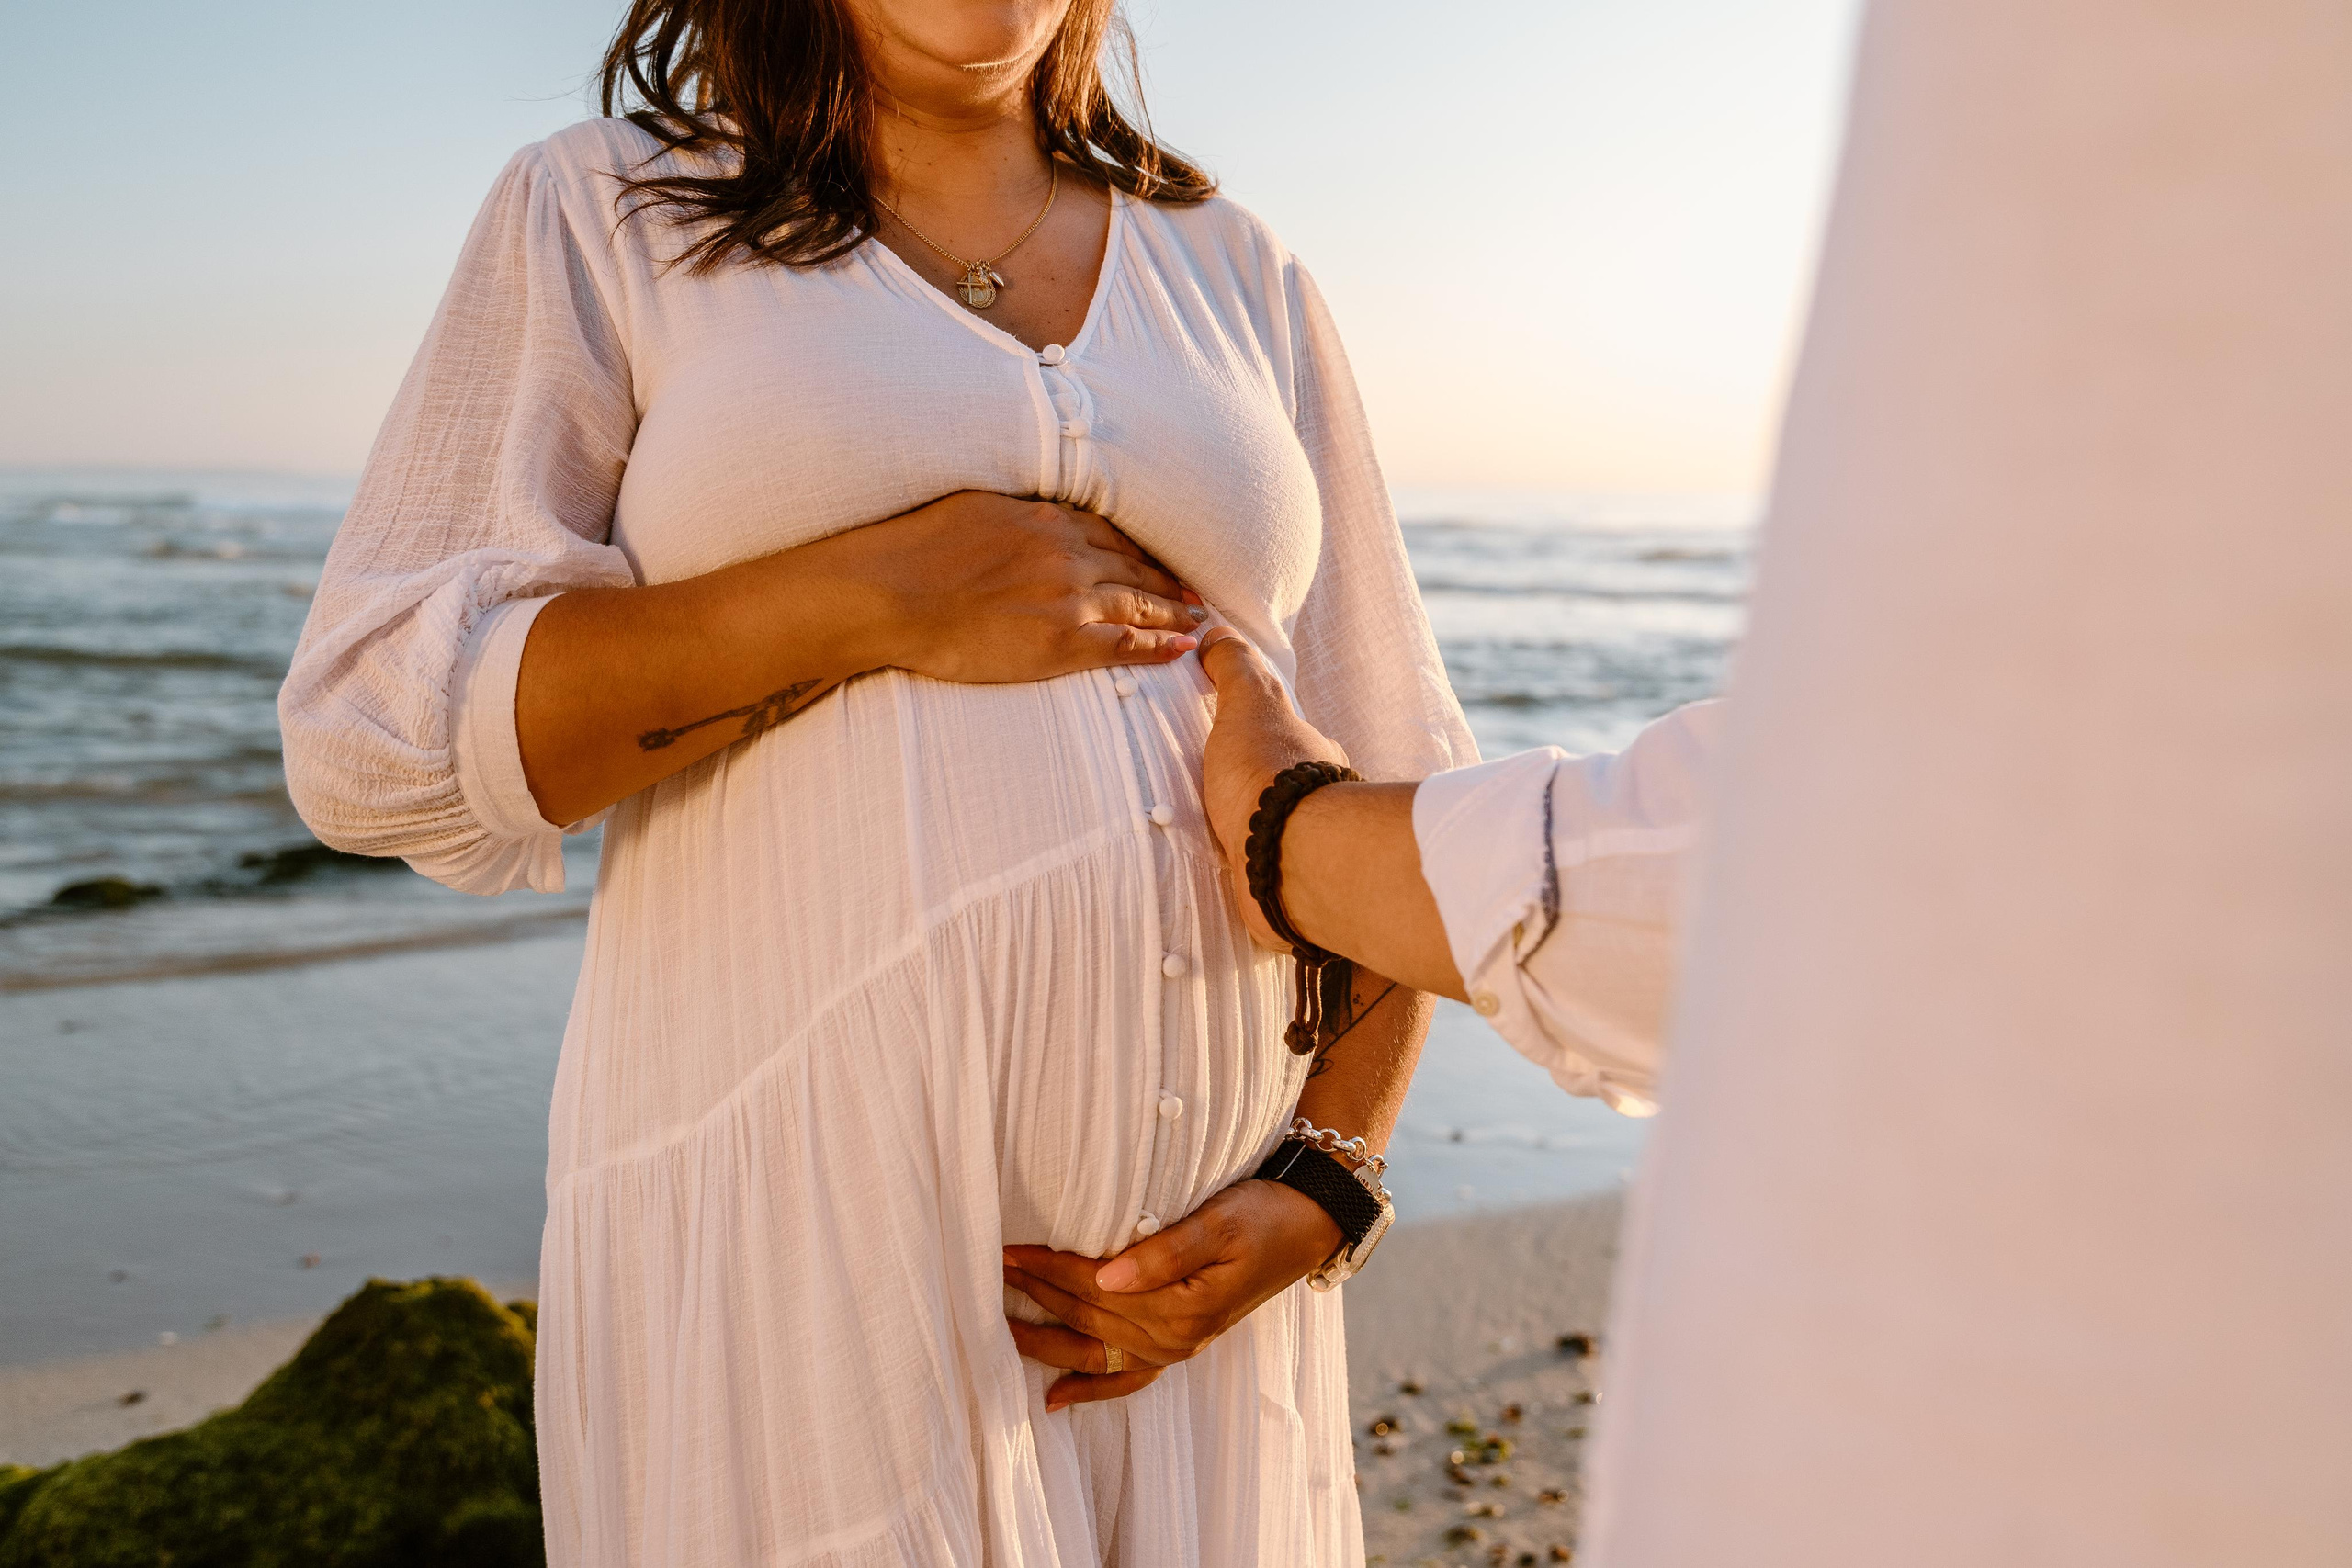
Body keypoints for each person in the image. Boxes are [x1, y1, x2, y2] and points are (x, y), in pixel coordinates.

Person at [275, 0, 1474, 1561]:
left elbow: (1394, 772)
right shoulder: (608, 208)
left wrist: (1334, 1173)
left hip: (1199, 1292)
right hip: (793, 1259)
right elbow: (372, 736)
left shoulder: (1237, 271)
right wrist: (860, 598)